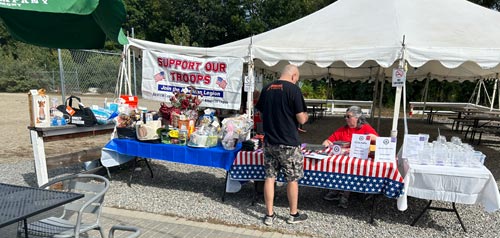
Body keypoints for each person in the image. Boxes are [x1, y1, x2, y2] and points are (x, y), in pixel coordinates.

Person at [255, 64, 309, 226]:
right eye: (297, 79)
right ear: (293, 76)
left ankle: (269, 215)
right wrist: (305, 117)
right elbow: (301, 119)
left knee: (270, 177)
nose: (296, 82)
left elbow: (262, 112)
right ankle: (293, 214)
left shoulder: (267, 89)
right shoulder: (293, 90)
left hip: (270, 141)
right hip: (289, 143)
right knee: (292, 179)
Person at [321, 106, 378, 209]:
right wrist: (325, 144)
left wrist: (370, 138)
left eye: (348, 116)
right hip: (345, 159)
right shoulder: (343, 129)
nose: (346, 119)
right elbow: (328, 141)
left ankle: (344, 194)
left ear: (357, 117)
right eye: (345, 116)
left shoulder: (366, 128)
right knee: (339, 164)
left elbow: (378, 141)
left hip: (360, 159)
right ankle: (337, 190)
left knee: (350, 166)